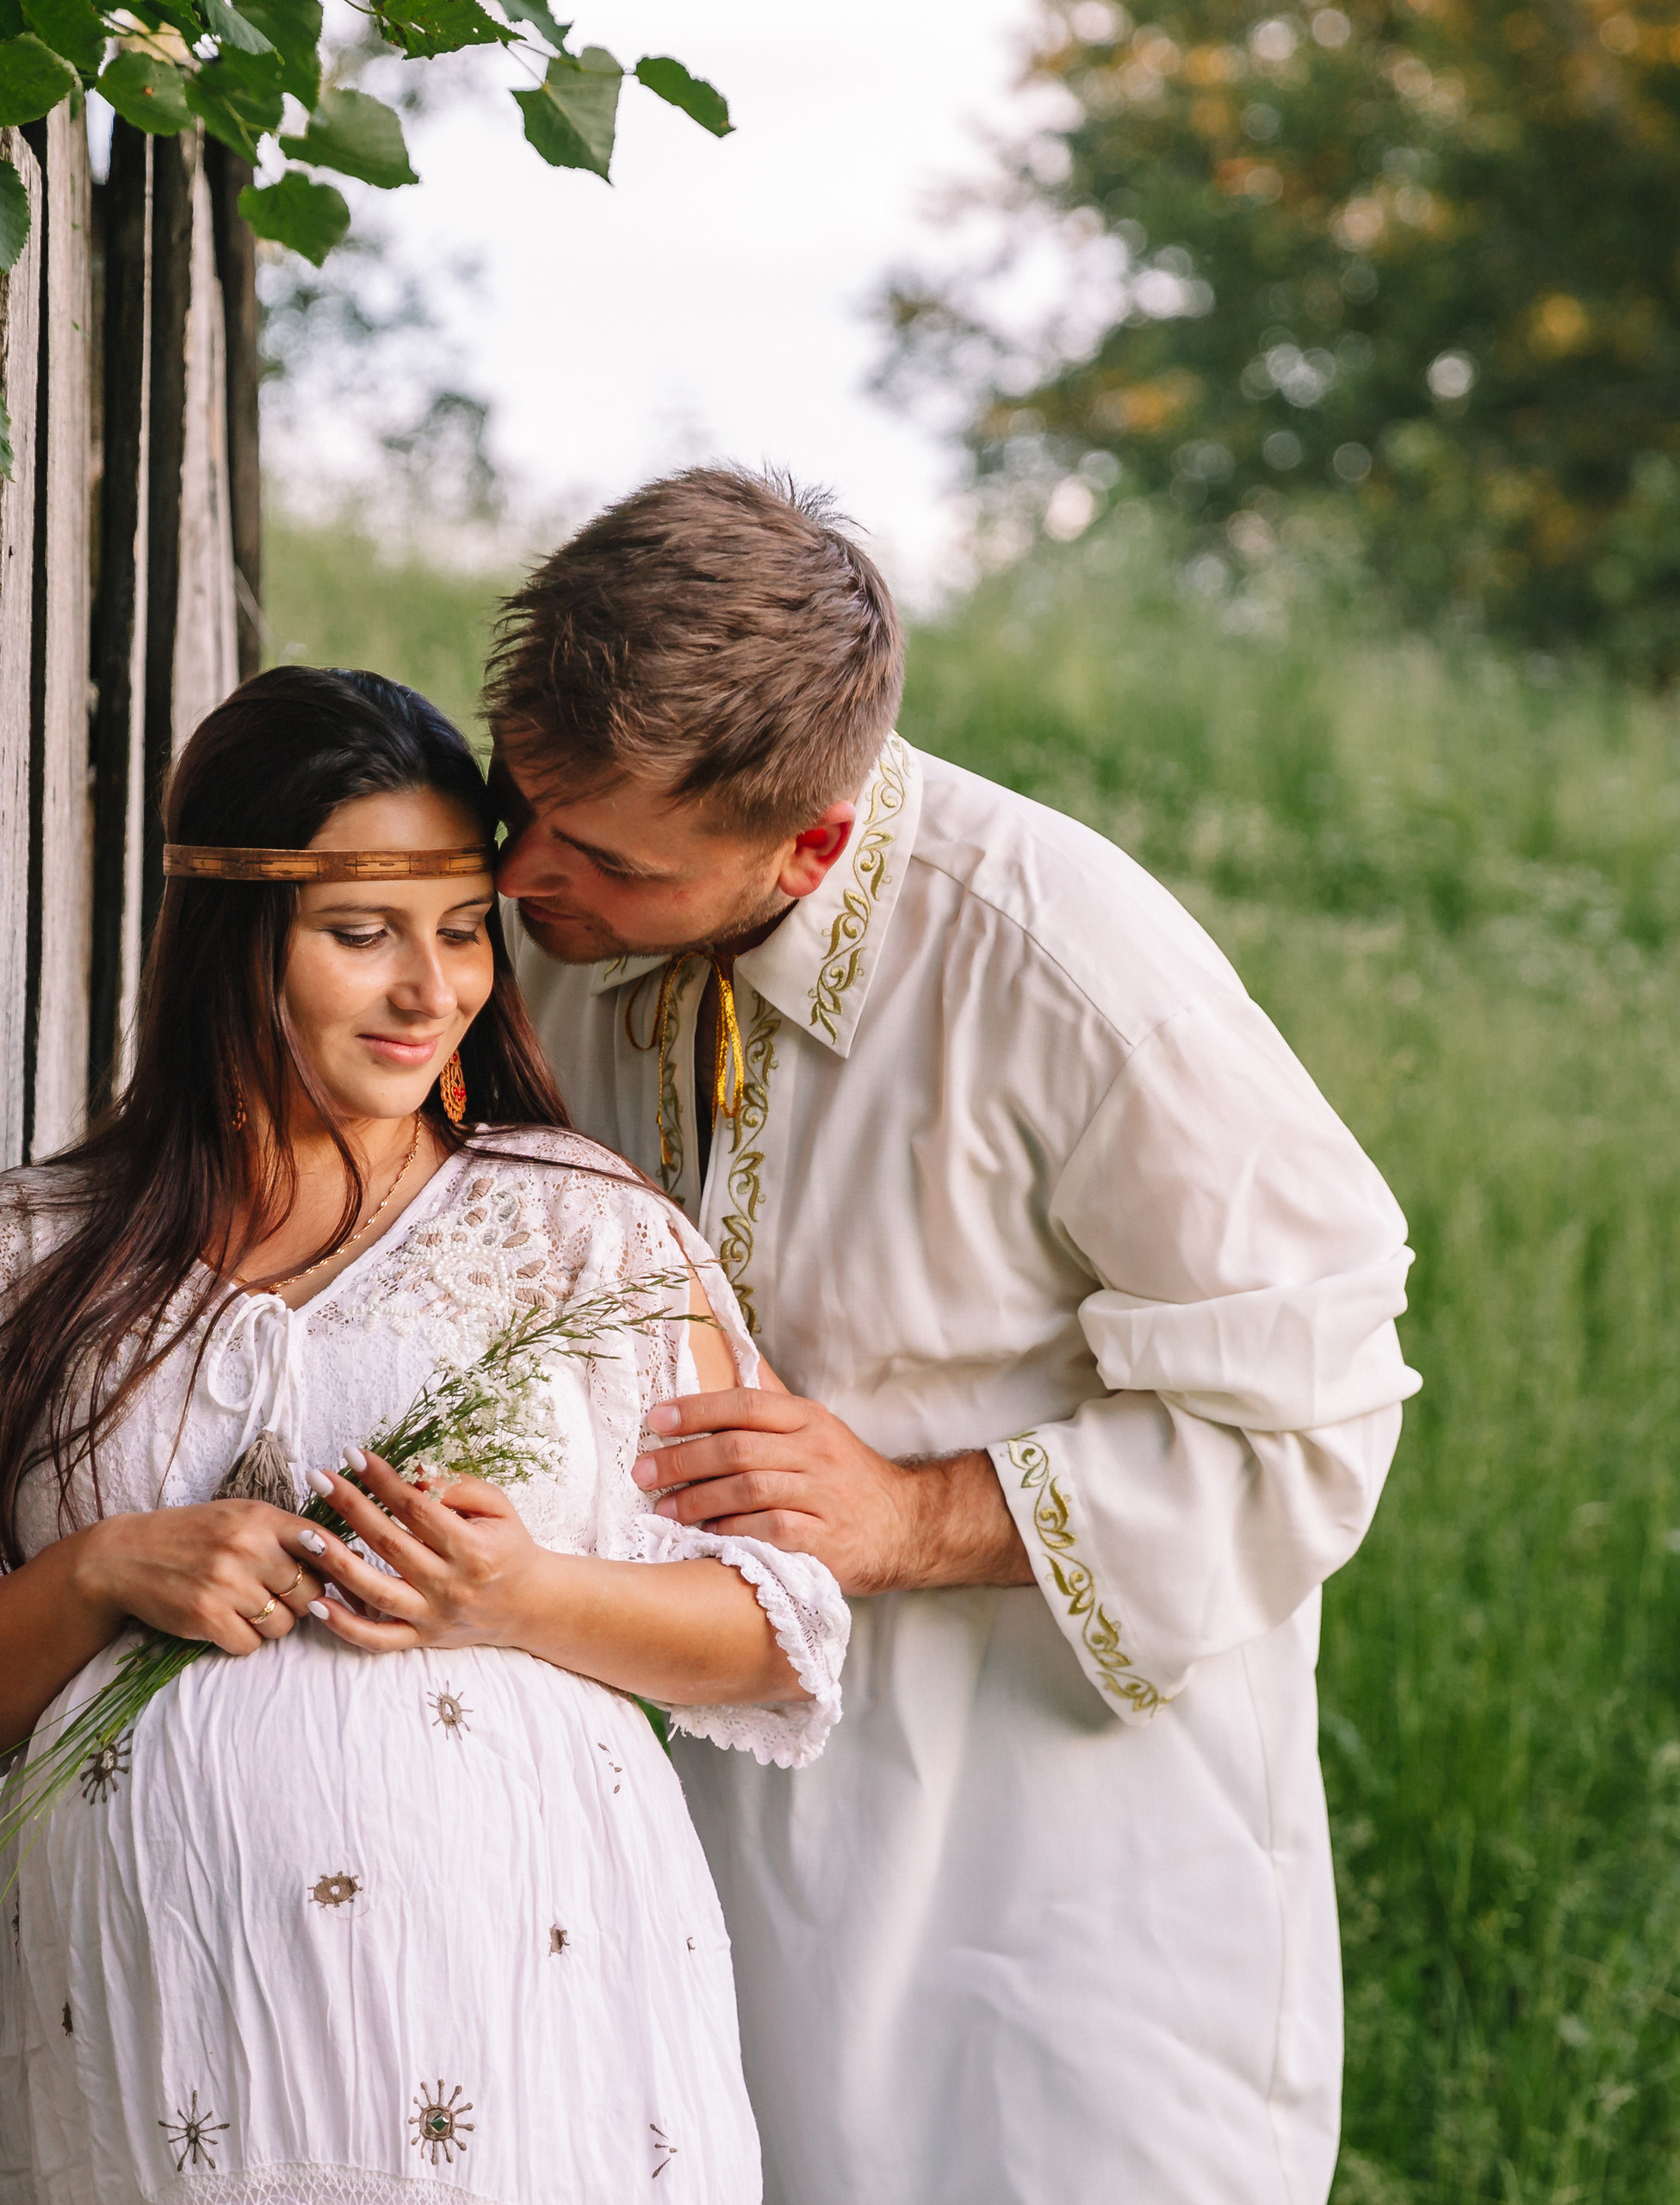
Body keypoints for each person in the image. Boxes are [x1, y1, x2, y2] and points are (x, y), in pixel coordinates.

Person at [493, 469, 1422, 2204]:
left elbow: (1315, 1402)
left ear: (811, 843)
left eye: (609, 855)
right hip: (703, 1810)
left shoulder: (1062, 966)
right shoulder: (539, 923)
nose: (529, 872)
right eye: (519, 798)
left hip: (1062, 1851)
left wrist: (907, 1514)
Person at [0, 667, 850, 2205]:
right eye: (361, 934)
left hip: (534, 2049)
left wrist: (520, 1597)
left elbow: (784, 1630)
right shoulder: (15, 1258)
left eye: (459, 931)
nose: (430, 990)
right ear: (230, 937)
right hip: (155, 2058)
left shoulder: (584, 1234)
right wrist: (100, 1574)